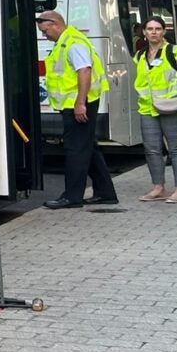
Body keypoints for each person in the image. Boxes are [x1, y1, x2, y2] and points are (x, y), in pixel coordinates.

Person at [38, 10, 118, 209]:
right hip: (75, 104)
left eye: (45, 31)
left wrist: (80, 103)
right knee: (88, 147)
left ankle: (72, 196)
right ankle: (105, 193)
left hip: (79, 105)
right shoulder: (66, 42)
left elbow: (84, 71)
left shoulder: (73, 43)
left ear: (55, 24)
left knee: (75, 150)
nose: (44, 35)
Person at [133, 16, 177, 203]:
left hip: (174, 107)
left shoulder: (175, 51)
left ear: (164, 31)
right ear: (143, 32)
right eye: (149, 28)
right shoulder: (140, 55)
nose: (153, 32)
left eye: (158, 28)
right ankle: (158, 187)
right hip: (148, 108)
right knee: (151, 149)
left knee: (176, 149)